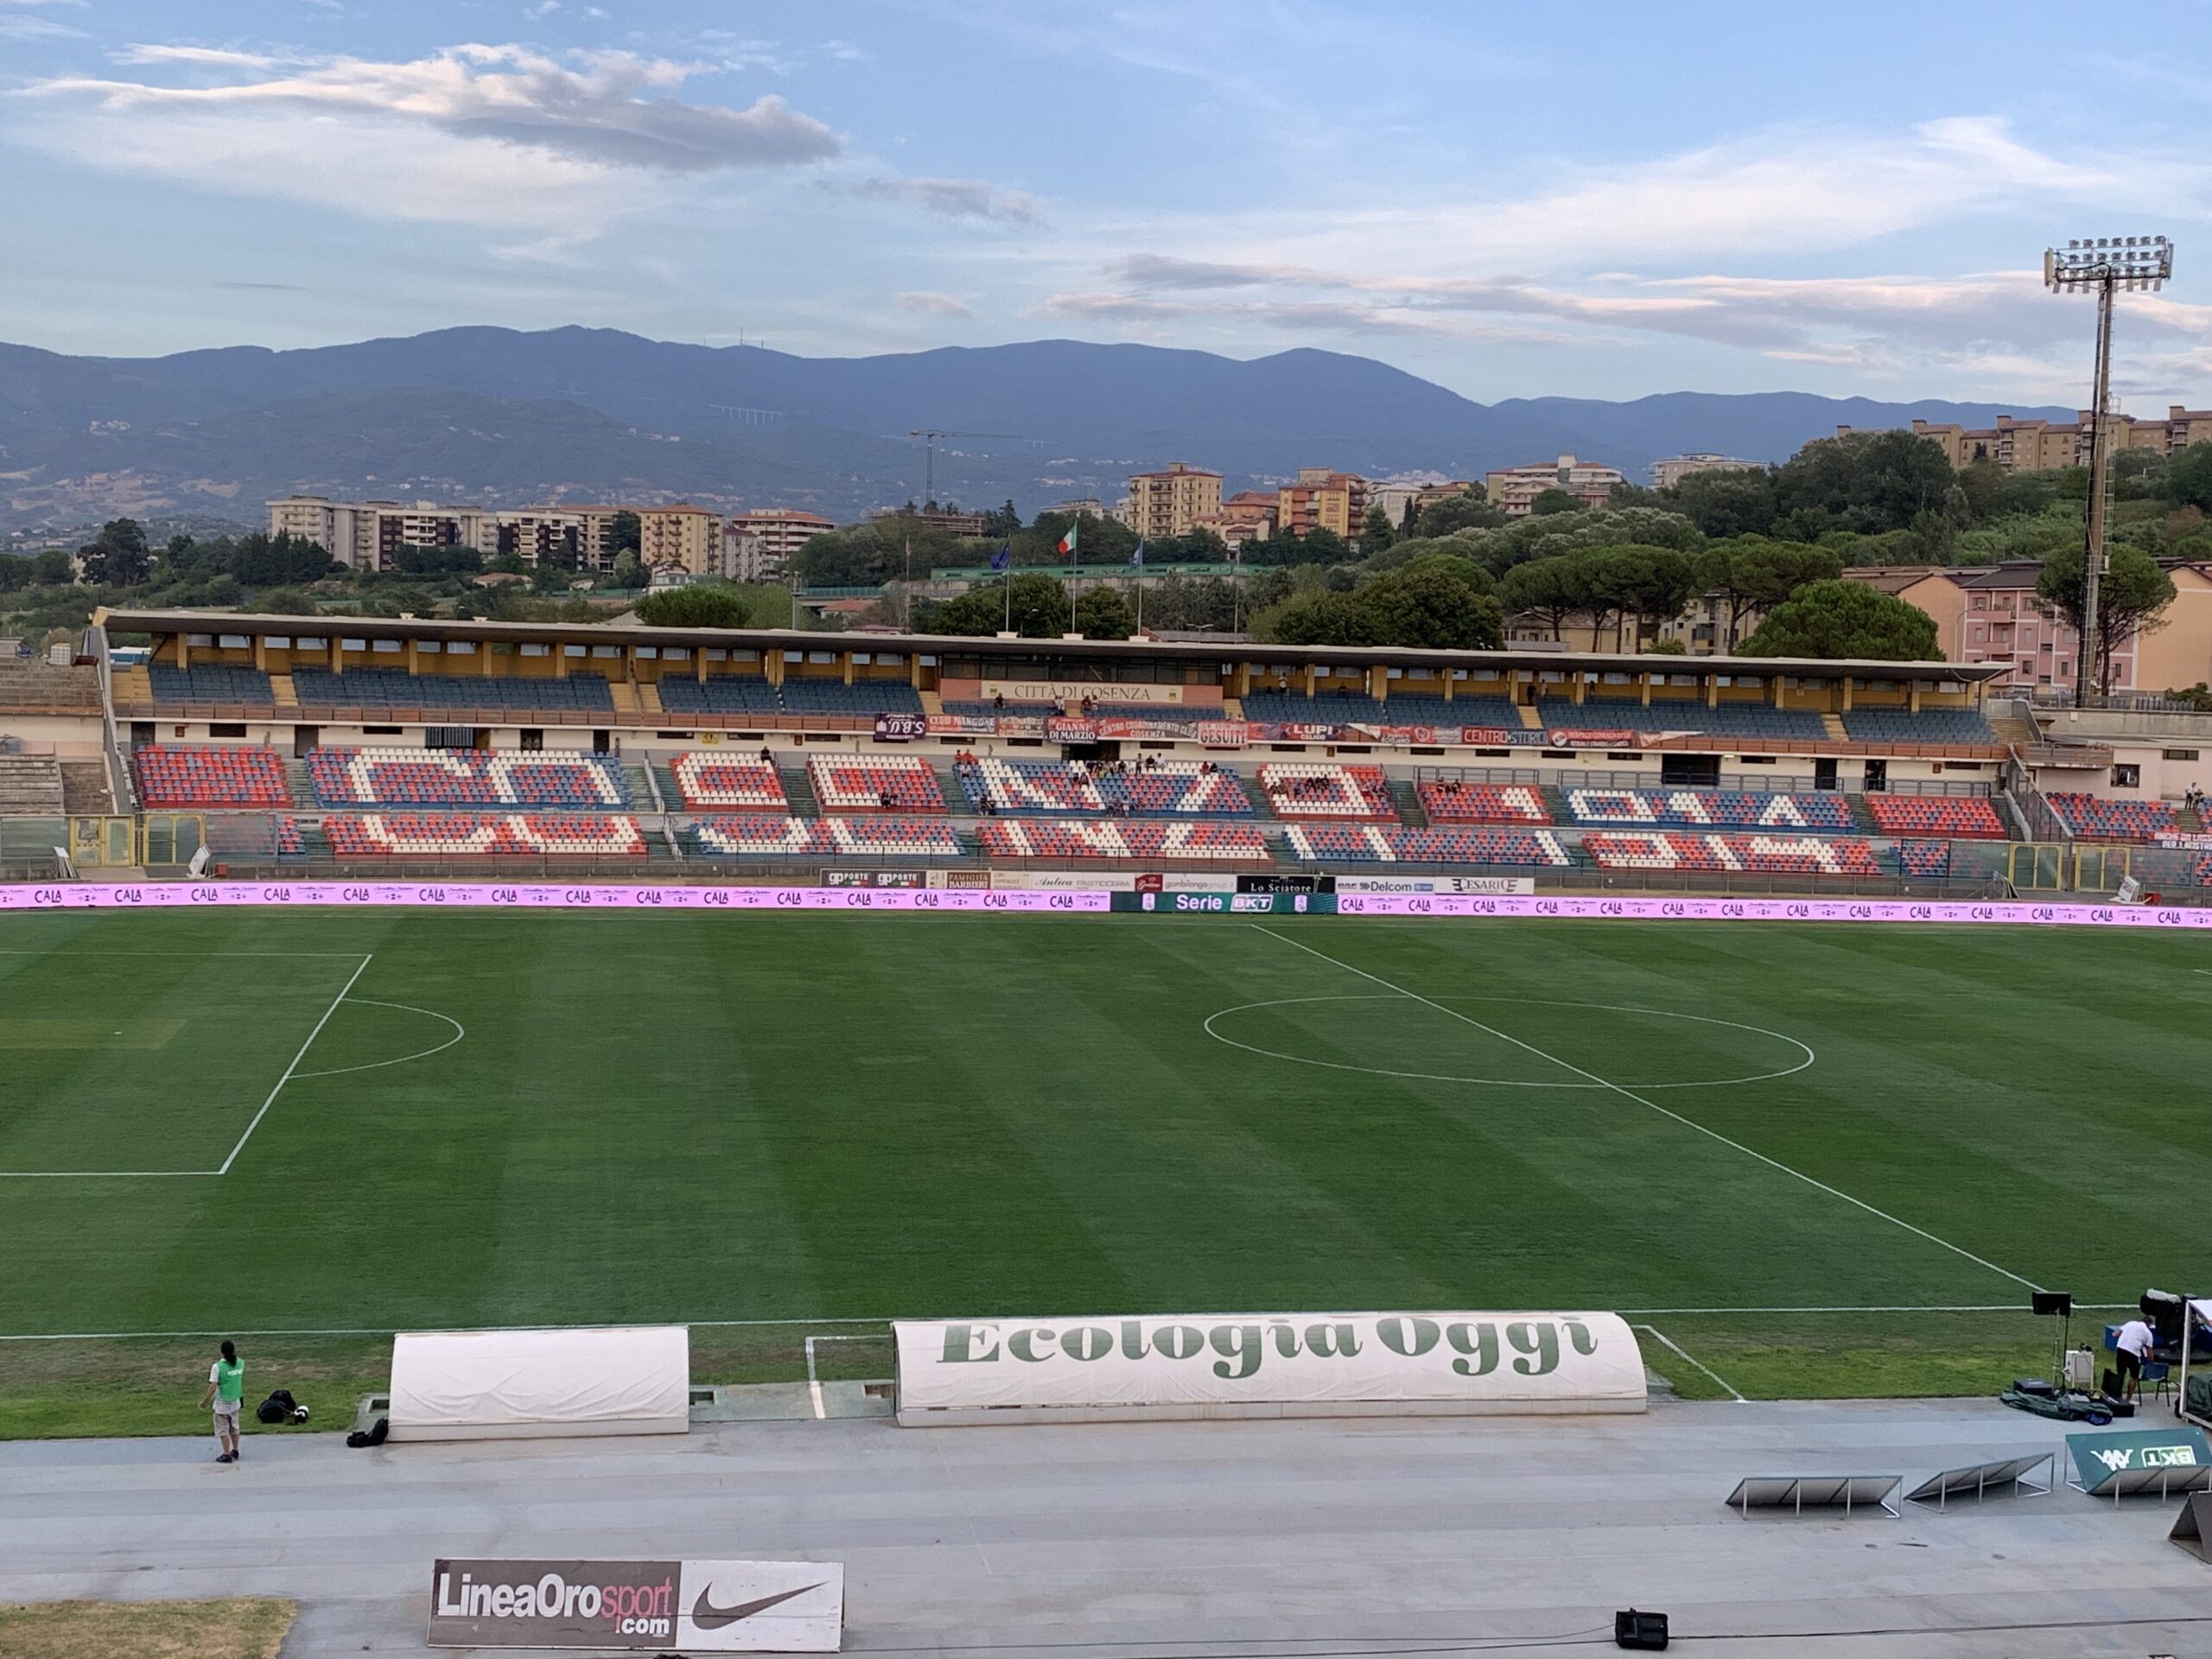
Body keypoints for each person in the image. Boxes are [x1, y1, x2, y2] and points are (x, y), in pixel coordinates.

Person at [199, 1339, 245, 1463]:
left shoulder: (217, 1367)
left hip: (222, 1404)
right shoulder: (240, 1363)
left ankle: (226, 1454)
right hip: (235, 1402)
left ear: (222, 1352)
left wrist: (205, 1401)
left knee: (223, 1430)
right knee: (234, 1428)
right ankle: (235, 1450)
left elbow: (213, 1386)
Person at [2114, 1315, 2154, 1399]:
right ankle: (2128, 1398)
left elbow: (2116, 1334)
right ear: (2149, 1325)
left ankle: (2117, 1395)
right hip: (2133, 1354)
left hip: (2121, 1349)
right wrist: (2151, 1359)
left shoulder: (2130, 1323)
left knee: (2120, 1374)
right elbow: (2149, 1351)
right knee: (2134, 1377)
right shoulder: (2148, 1333)